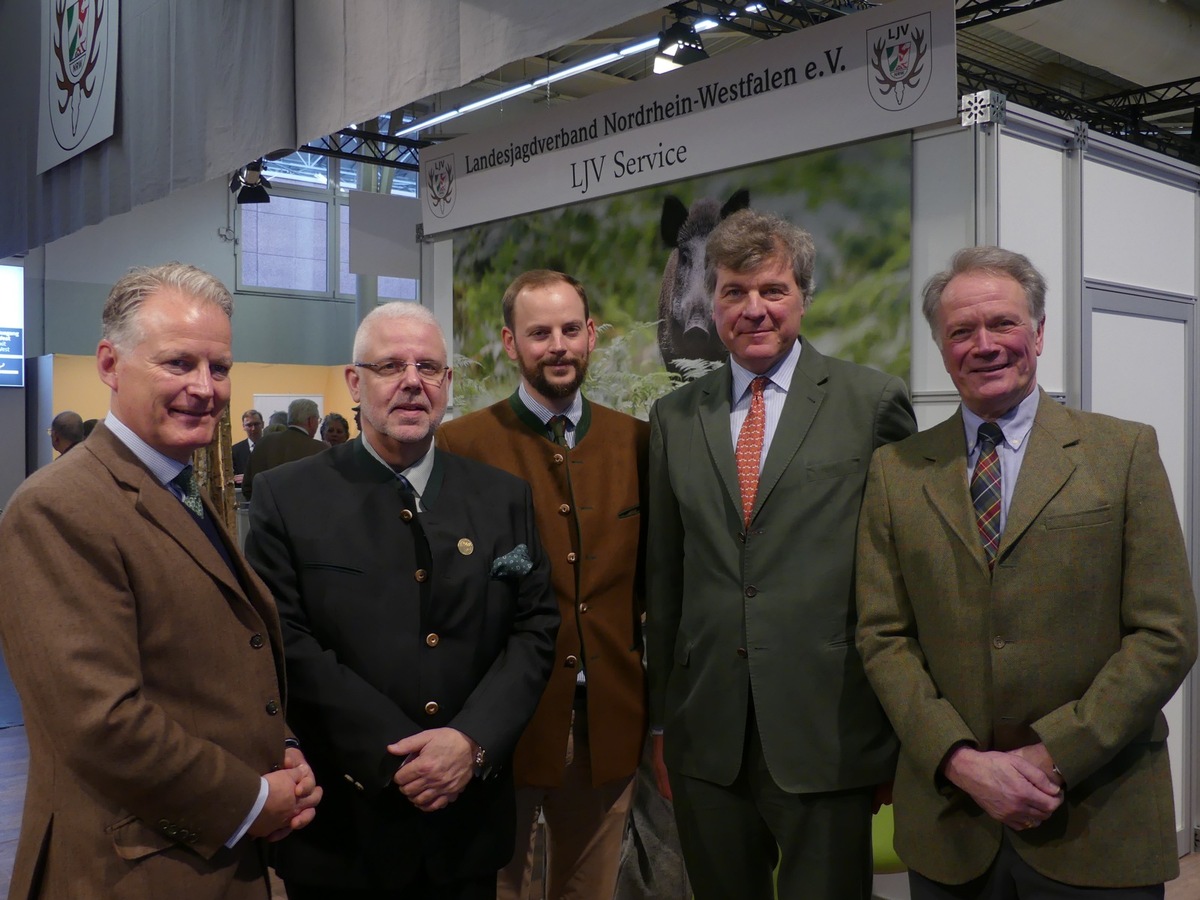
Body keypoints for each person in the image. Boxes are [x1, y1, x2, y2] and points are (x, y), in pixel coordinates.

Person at [855, 246, 1198, 898]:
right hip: (953, 827)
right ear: (941, 345)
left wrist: (1050, 757)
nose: (983, 344)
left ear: (1038, 333)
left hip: (1095, 818)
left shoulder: (1122, 452)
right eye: (961, 331)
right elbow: (882, 638)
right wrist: (961, 762)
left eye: (1003, 324)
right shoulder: (896, 473)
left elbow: (1167, 633)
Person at [0, 262, 321, 899]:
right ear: (110, 365)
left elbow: (215, 663)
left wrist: (278, 744)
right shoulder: (58, 507)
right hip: (130, 870)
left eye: (220, 367)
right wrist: (252, 799)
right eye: (178, 364)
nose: (205, 388)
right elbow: (101, 723)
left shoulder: (178, 488)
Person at [245, 301, 560, 899]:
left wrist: (470, 741)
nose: (412, 381)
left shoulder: (501, 498)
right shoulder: (288, 497)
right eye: (391, 365)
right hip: (345, 825)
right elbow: (286, 638)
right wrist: (399, 757)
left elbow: (535, 628)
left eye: (429, 367)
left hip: (466, 822)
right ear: (354, 383)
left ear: (447, 383)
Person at [646, 208, 916, 900]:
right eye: (735, 291)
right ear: (710, 302)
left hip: (826, 730)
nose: (754, 309)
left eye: (773, 290)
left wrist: (893, 734)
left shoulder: (871, 402)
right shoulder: (676, 418)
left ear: (803, 296)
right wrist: (662, 723)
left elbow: (899, 577)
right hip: (708, 737)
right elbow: (666, 579)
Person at [438, 270, 648, 900]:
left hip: (606, 725)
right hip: (502, 728)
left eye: (569, 329)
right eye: (538, 333)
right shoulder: (462, 445)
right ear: (510, 343)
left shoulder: (635, 442)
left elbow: (649, 583)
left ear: (591, 335)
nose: (557, 345)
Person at [242, 397, 325, 499]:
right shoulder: (319, 449)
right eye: (318, 420)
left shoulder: (263, 443)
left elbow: (247, 487)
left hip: (266, 512)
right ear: (310, 421)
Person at [232, 408, 264, 479]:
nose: (253, 428)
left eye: (256, 424)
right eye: (249, 425)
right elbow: (233, 478)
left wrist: (248, 478)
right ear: (243, 427)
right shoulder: (235, 451)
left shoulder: (272, 446)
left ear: (263, 424)